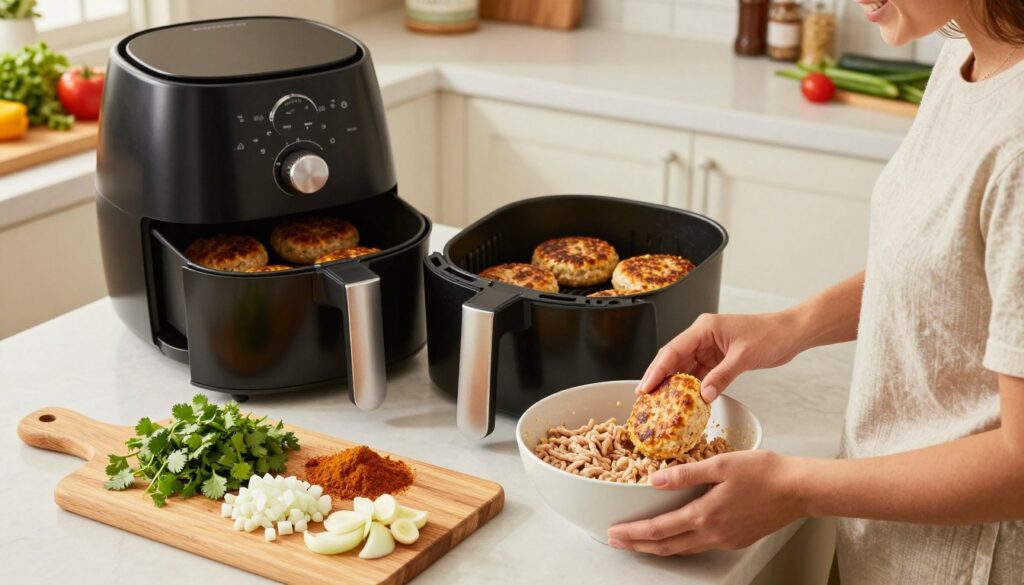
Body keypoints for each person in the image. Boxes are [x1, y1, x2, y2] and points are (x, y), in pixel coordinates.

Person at [606, 1, 1024, 583]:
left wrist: (797, 489)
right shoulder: (966, 47)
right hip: (880, 547)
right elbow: (947, 272)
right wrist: (793, 326)